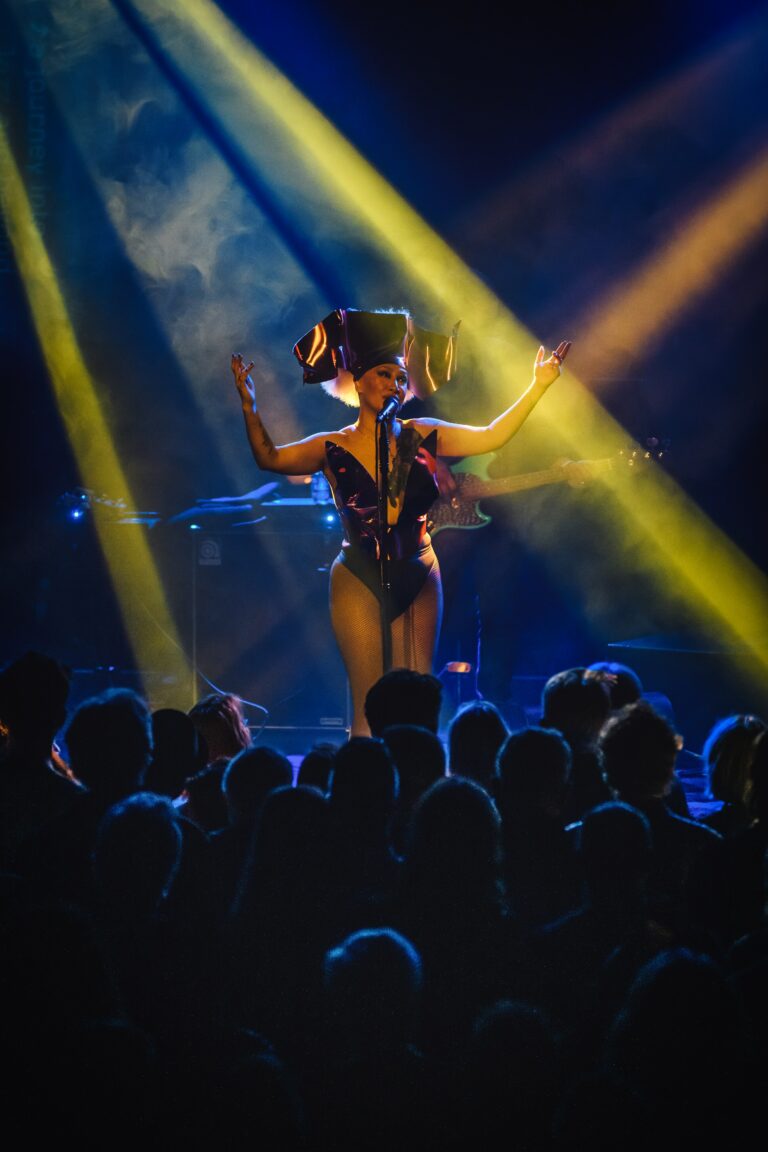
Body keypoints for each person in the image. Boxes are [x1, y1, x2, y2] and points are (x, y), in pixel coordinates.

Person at [231, 307, 571, 736]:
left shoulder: (420, 432)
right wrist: (250, 407)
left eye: (400, 377)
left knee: (415, 700)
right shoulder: (331, 445)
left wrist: (538, 386)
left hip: (419, 568)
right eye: (384, 375)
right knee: (368, 702)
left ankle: (417, 784)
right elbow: (270, 458)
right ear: (358, 380)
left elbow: (492, 435)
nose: (395, 384)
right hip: (358, 573)